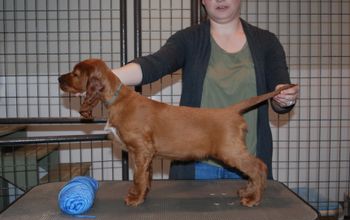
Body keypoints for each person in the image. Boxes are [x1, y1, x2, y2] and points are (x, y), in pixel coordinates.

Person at [112, 0, 299, 180]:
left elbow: (280, 87)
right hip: (197, 165)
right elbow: (154, 65)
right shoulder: (188, 39)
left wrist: (285, 97)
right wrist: (107, 77)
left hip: (245, 160)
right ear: (203, 1)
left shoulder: (266, 42)